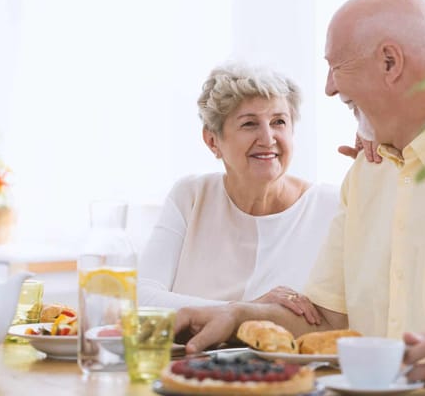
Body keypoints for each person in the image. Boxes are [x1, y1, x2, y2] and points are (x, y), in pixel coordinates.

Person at [173, 0, 425, 394]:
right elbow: (330, 321)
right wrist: (237, 316)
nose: (329, 87)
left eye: (336, 66)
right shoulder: (365, 174)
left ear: (390, 63)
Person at [137, 62, 339, 325]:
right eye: (249, 124)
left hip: (291, 365)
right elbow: (141, 299)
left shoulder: (331, 206)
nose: (268, 138)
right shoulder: (191, 196)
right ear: (212, 141)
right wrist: (246, 310)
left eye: (279, 122)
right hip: (189, 362)